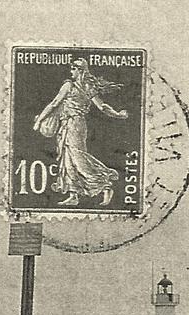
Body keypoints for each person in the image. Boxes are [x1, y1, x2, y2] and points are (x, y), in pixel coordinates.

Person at [33, 58, 128, 207]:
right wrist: (117, 114)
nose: (71, 71)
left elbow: (55, 103)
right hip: (68, 124)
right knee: (67, 159)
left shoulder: (70, 85)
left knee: (78, 158)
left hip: (74, 125)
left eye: (73, 68)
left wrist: (39, 120)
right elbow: (102, 106)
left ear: (80, 70)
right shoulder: (87, 86)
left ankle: (105, 184)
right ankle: (74, 194)